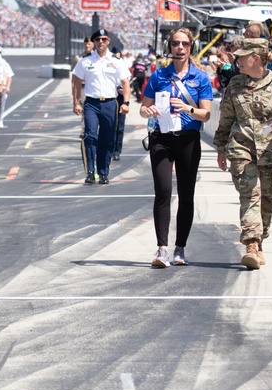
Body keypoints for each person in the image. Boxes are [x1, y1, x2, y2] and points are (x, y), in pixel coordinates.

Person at [213, 38, 272, 269]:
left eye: (243, 56)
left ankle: (259, 242)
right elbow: (226, 119)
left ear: (257, 58)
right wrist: (221, 148)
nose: (238, 59)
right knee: (250, 196)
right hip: (242, 150)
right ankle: (251, 245)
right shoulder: (234, 85)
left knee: (266, 203)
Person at [140, 28, 213, 267]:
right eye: (175, 43)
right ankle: (162, 249)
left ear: (191, 47)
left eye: (184, 43)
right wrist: (147, 111)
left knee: (186, 194)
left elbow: (206, 115)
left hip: (188, 139)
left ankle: (180, 248)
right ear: (169, 47)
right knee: (162, 192)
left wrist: (187, 108)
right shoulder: (159, 75)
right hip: (162, 137)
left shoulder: (200, 77)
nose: (179, 48)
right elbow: (143, 108)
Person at [71, 28, 130, 185]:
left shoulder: (116, 62)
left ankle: (103, 172)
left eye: (104, 39)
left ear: (108, 41)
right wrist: (76, 102)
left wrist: (126, 102)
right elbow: (76, 80)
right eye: (98, 40)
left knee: (107, 139)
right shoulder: (86, 61)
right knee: (90, 136)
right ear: (94, 42)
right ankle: (90, 171)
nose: (101, 42)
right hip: (91, 103)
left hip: (110, 103)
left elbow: (125, 82)